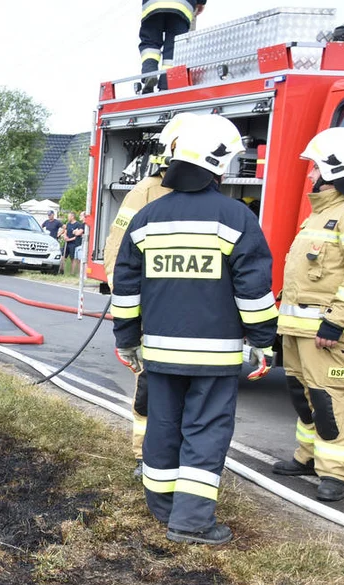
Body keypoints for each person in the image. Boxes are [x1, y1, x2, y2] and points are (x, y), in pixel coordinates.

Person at [112, 113, 278, 545]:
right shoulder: (236, 218)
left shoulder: (147, 217)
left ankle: (163, 508)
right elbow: (254, 291)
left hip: (160, 354)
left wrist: (127, 340)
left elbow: (126, 289)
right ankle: (191, 522)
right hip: (215, 357)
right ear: (219, 163)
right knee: (205, 431)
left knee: (163, 425)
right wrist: (263, 340)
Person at [271, 127, 344, 502]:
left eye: (316, 167)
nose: (311, 174)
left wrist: (335, 321)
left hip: (327, 331)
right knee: (303, 396)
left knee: (329, 400)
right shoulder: (322, 213)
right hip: (299, 330)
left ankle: (335, 472)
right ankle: (306, 457)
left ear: (335, 169)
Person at [102, 113, 197, 477]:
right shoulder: (146, 191)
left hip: (193, 311)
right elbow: (118, 247)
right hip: (153, 310)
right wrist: (128, 301)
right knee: (150, 387)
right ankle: (145, 454)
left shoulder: (207, 192)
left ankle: (182, 456)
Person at [139, 0, 206, 93]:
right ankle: (166, 83)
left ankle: (149, 73)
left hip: (153, 4)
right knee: (174, 46)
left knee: (150, 42)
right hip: (182, 5)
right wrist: (201, 2)